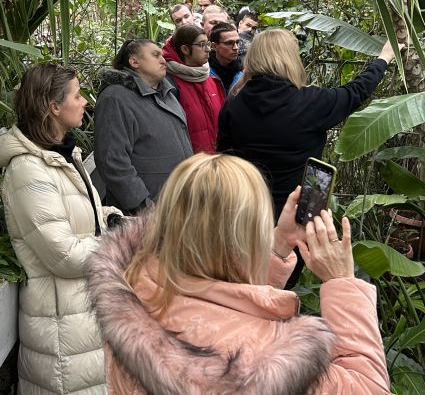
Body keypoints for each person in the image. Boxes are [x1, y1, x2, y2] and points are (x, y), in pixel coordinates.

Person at [87, 153, 390, 394]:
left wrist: (278, 246)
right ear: (241, 242)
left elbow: (217, 310)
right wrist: (342, 283)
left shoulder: (133, 292)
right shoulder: (272, 363)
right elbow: (368, 387)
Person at [217, 28, 403, 286]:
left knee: (248, 278)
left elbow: (223, 158)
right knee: (283, 279)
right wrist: (384, 57)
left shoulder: (234, 105)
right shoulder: (310, 102)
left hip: (247, 209)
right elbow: (356, 92)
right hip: (298, 213)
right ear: (290, 57)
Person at [0, 64, 123, 394]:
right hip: (61, 336)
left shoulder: (61, 155)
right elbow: (64, 255)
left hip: (81, 322)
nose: (85, 101)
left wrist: (113, 219)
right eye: (77, 95)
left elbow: (84, 217)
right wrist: (121, 242)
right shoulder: (29, 169)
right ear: (54, 107)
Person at [94, 39, 192, 214]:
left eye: (162, 55)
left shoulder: (167, 93)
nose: (163, 60)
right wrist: (144, 208)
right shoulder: (115, 98)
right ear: (134, 61)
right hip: (144, 219)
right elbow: (113, 162)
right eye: (155, 55)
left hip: (177, 208)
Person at [163, 25, 225, 153]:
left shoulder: (211, 79)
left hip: (216, 160)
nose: (208, 49)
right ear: (185, 49)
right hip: (190, 165)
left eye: (208, 44)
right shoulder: (169, 84)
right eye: (202, 44)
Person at [209, 22, 243, 93]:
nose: (236, 47)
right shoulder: (205, 73)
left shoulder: (244, 71)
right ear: (214, 46)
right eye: (229, 43)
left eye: (237, 42)